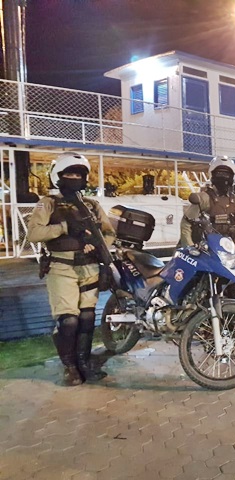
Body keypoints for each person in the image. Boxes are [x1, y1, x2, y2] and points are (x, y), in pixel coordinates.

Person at [27, 152, 115, 386]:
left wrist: (97, 245)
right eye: (70, 174)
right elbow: (34, 233)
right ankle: (70, 367)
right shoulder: (48, 203)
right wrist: (64, 227)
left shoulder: (91, 205)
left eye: (78, 175)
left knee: (87, 317)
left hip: (89, 267)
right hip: (61, 267)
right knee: (69, 321)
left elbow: (108, 233)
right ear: (59, 176)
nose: (75, 178)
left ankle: (84, 362)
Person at [180, 156, 235, 253]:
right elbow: (186, 223)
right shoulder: (204, 198)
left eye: (227, 174)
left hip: (230, 251)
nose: (223, 177)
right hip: (206, 252)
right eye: (220, 174)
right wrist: (190, 247)